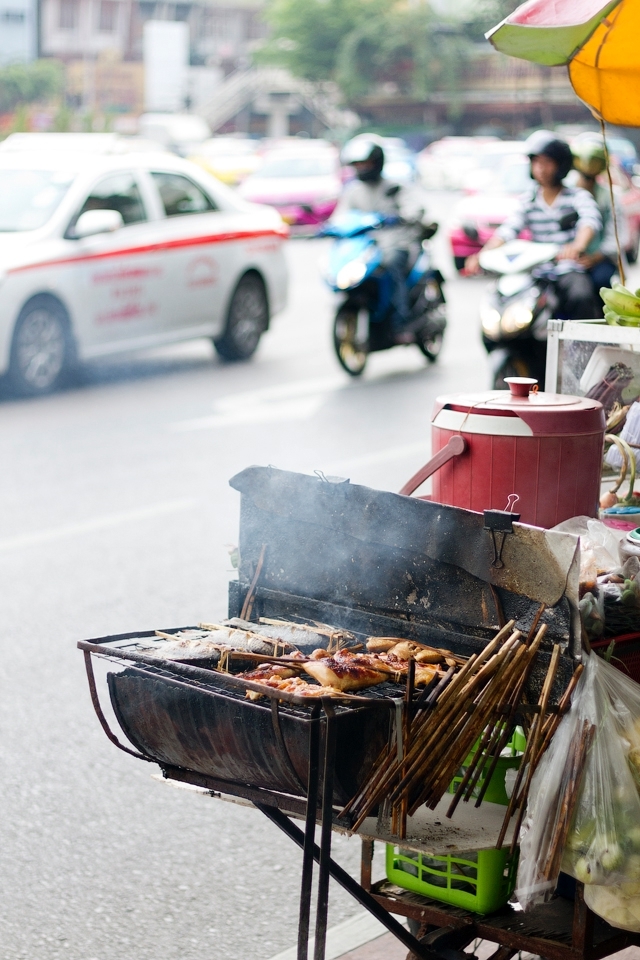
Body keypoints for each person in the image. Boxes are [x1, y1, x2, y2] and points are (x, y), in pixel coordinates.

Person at [466, 131, 602, 320]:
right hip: (536, 273)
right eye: (536, 162)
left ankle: (581, 347)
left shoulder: (577, 196)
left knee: (581, 296)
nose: (541, 169)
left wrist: (577, 247)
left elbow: (590, 221)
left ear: (561, 165)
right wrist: (482, 255)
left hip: (567, 269)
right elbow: (508, 231)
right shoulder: (528, 201)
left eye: (547, 163)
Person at [334, 136, 426, 333]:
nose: (361, 168)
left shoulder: (395, 187)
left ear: (377, 162)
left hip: (396, 243)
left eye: (365, 163)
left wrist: (403, 216)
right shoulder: (353, 191)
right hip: (365, 246)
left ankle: (401, 320)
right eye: (357, 164)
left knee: (392, 264)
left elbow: (414, 208)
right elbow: (340, 217)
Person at [571, 136, 628, 300]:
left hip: (601, 258)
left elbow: (618, 237)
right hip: (571, 260)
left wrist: (595, 257)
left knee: (601, 283)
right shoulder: (568, 193)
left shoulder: (609, 196)